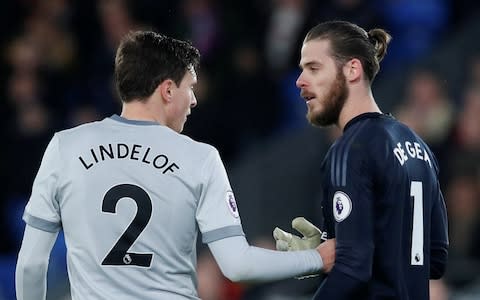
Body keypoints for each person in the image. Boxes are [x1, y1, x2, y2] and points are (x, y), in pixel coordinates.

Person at [15, 31, 335, 300]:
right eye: (190, 87)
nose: (194, 100)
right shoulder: (199, 157)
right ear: (168, 90)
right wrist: (315, 258)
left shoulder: (65, 146)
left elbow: (31, 264)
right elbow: (237, 265)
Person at [273, 20, 449, 299]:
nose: (300, 81)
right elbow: (435, 259)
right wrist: (336, 244)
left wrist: (340, 254)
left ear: (352, 70)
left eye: (314, 68)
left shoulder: (350, 150)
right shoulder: (418, 146)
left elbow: (353, 269)